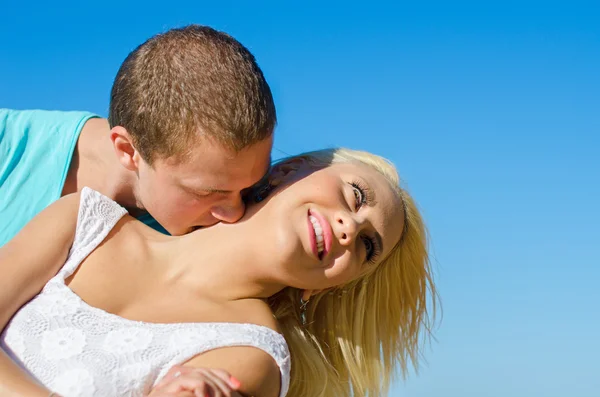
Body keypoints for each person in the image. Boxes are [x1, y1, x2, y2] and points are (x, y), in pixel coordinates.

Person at [0, 148, 438, 397]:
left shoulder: (251, 356)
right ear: (287, 171)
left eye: (367, 246)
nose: (350, 227)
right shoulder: (83, 220)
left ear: (325, 287)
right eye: (355, 196)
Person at [0, 24, 276, 246]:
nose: (236, 214)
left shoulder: (211, 233)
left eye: (249, 187)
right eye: (207, 192)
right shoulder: (8, 146)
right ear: (128, 150)